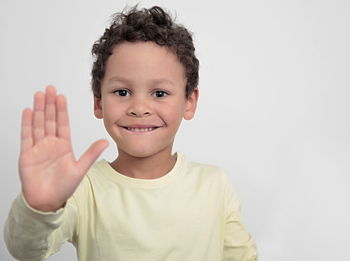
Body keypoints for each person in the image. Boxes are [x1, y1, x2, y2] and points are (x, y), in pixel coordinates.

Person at [4, 5, 257, 261]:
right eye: (122, 92)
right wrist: (40, 208)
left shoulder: (214, 185)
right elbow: (26, 250)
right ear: (99, 102)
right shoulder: (83, 189)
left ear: (189, 101)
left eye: (159, 93)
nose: (139, 108)